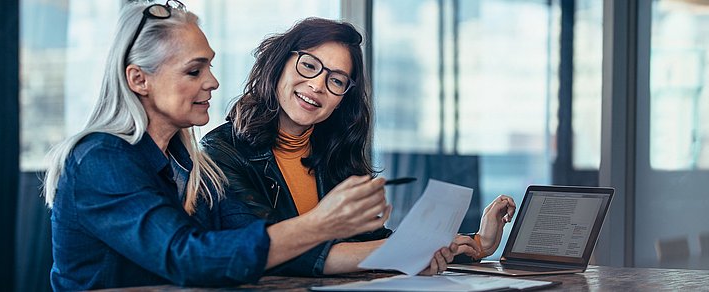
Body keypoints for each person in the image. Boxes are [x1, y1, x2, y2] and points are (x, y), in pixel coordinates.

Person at [43, 2, 394, 290]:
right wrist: (320, 223)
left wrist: (405, 250)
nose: (213, 82)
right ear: (139, 80)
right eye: (194, 71)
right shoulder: (100, 159)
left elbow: (246, 243)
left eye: (209, 67)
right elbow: (187, 258)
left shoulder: (191, 165)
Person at [200, 17, 517, 276]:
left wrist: (477, 243)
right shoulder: (221, 152)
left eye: (336, 80)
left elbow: (371, 242)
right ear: (279, 64)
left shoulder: (334, 153)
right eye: (309, 65)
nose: (317, 85)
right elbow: (270, 251)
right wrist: (403, 253)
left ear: (342, 99)